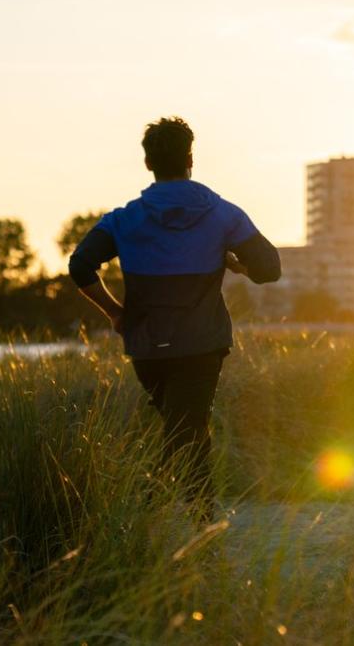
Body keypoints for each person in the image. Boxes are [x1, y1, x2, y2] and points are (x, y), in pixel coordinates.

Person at [68, 116, 280, 508]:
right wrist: (238, 266)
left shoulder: (124, 219)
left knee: (185, 427)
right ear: (190, 160)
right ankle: (157, 507)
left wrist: (115, 312)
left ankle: (187, 520)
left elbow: (80, 266)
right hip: (202, 343)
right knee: (187, 430)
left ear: (148, 163)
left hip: (148, 346)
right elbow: (270, 269)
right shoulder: (224, 215)